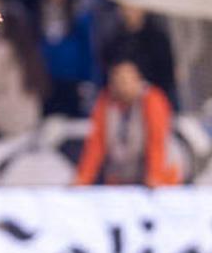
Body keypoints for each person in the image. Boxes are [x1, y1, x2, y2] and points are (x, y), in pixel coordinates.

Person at [75, 59, 180, 187]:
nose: (121, 86)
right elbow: (96, 144)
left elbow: (156, 140)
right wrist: (83, 178)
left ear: (137, 80)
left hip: (157, 175)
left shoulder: (152, 99)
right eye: (116, 82)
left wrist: (155, 176)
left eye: (125, 81)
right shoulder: (105, 103)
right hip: (122, 176)